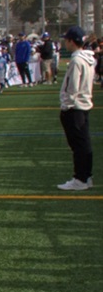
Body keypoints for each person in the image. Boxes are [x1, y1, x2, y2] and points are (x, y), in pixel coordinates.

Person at [56, 26, 95, 190]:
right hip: (83, 105)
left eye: (67, 40)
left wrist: (67, 104)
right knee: (83, 143)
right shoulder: (88, 59)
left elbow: (72, 86)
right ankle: (86, 176)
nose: (65, 42)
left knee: (78, 145)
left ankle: (80, 179)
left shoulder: (77, 60)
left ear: (72, 41)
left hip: (75, 107)